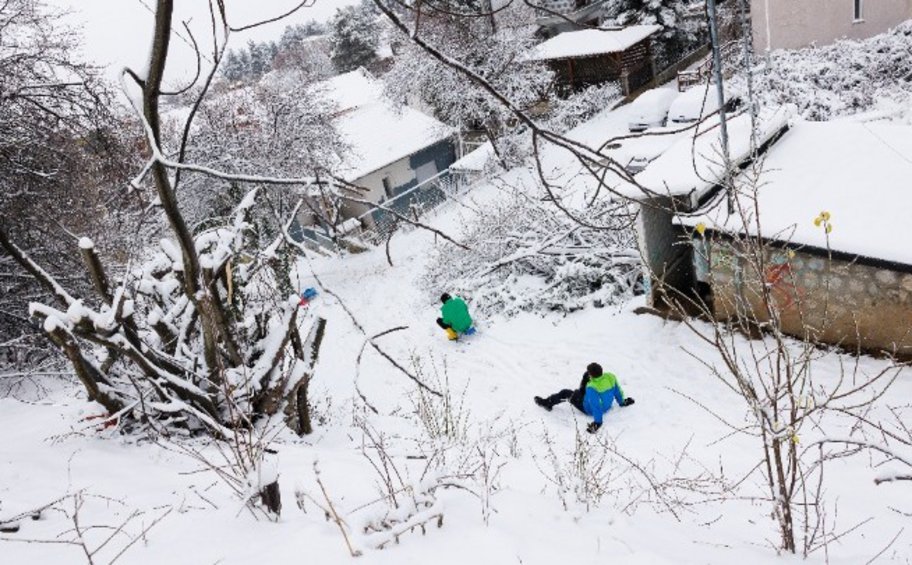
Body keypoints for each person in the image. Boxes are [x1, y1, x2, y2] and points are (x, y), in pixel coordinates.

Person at [534, 362, 634, 433]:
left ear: (592, 375)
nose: (588, 373)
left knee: (565, 392)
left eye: (589, 372)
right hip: (605, 403)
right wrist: (622, 402)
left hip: (588, 408)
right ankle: (580, 392)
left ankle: (547, 403)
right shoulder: (610, 377)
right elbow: (617, 391)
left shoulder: (591, 388)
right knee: (584, 377)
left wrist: (597, 423)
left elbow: (595, 406)